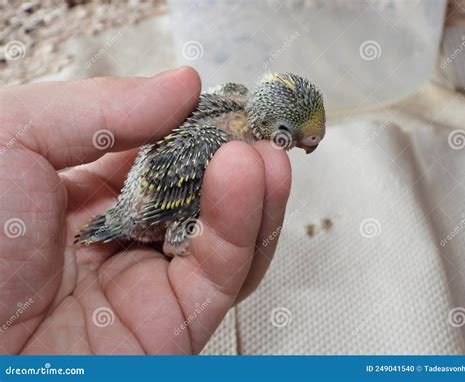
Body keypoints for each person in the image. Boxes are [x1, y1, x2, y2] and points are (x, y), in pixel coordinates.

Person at [0, 67, 291, 354]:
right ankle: (174, 240)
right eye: (290, 133)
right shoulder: (218, 140)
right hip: (149, 213)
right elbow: (164, 199)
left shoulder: (233, 97)